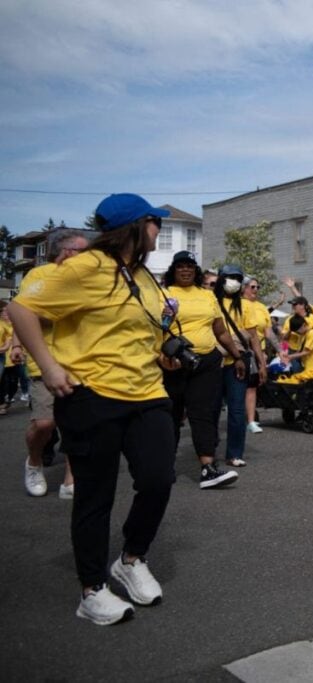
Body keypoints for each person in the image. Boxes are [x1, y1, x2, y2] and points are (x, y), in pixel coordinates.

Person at [7, 193, 177, 625]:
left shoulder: (142, 274)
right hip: (92, 396)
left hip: (148, 393)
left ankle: (131, 558)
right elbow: (20, 309)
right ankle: (92, 590)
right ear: (135, 226)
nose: (160, 229)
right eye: (155, 222)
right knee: (94, 496)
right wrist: (48, 368)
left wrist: (164, 354)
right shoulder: (85, 267)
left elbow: (142, 331)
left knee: (158, 479)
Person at [15, 228, 89, 498]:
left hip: (81, 361)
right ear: (68, 252)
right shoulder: (39, 275)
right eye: (83, 251)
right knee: (45, 424)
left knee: (77, 424)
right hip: (45, 361)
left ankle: (70, 479)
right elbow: (27, 313)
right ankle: (34, 462)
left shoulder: (86, 278)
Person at [161, 251, 244, 489]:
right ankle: (165, 467)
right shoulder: (162, 294)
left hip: (206, 362)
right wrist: (161, 357)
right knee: (171, 416)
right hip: (173, 363)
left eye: (190, 266)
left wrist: (237, 356)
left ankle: (208, 469)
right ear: (173, 270)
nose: (185, 270)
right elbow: (152, 330)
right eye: (180, 267)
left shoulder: (208, 296)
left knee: (203, 415)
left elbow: (220, 331)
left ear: (196, 271)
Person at [214, 264, 267, 468]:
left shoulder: (245, 305)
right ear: (220, 279)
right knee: (211, 409)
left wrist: (262, 364)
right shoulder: (212, 301)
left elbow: (253, 337)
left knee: (237, 410)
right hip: (214, 361)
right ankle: (207, 448)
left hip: (239, 363)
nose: (234, 281)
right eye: (229, 277)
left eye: (237, 278)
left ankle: (234, 453)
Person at [241, 276, 274, 433]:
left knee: (252, 385)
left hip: (258, 351)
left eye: (257, 287)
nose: (255, 290)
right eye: (252, 287)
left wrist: (280, 350)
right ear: (244, 288)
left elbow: (269, 333)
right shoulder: (239, 304)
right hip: (240, 350)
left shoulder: (262, 308)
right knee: (239, 385)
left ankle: (251, 421)